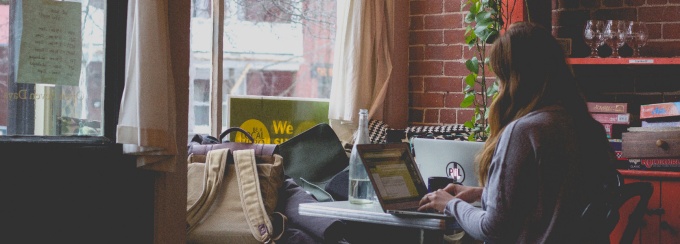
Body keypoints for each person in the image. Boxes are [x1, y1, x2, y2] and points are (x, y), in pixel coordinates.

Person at [418, 22, 620, 243]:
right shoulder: (588, 127)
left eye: (500, 77)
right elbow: (556, 206)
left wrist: (450, 204)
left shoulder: (525, 132)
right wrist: (482, 193)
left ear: (514, 80)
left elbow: (492, 229)